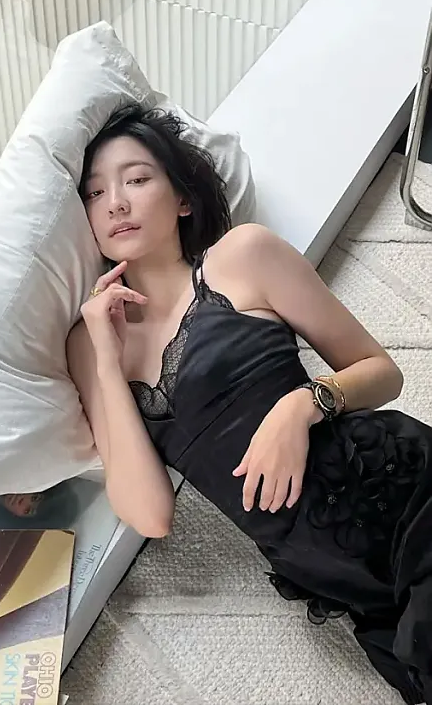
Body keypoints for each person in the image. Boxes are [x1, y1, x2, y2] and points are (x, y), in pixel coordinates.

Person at [64, 104, 432, 705]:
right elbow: (150, 514)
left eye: (137, 179)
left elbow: (381, 373)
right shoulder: (90, 344)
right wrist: (107, 362)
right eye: (95, 193)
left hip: (399, 492)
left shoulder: (242, 256)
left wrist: (302, 405)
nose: (116, 204)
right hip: (347, 581)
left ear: (183, 199)